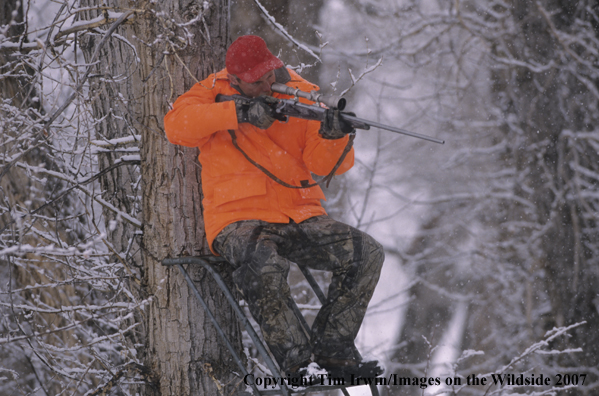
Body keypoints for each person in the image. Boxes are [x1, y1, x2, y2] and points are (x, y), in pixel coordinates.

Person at [164, 35, 384, 380]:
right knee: (262, 262)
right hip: (236, 219)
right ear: (233, 79)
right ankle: (298, 365)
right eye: (256, 81)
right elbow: (176, 126)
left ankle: (334, 352)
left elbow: (326, 165)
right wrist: (236, 112)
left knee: (366, 253)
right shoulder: (212, 89)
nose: (267, 83)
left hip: (300, 215)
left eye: (269, 74)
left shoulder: (300, 92)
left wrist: (334, 135)